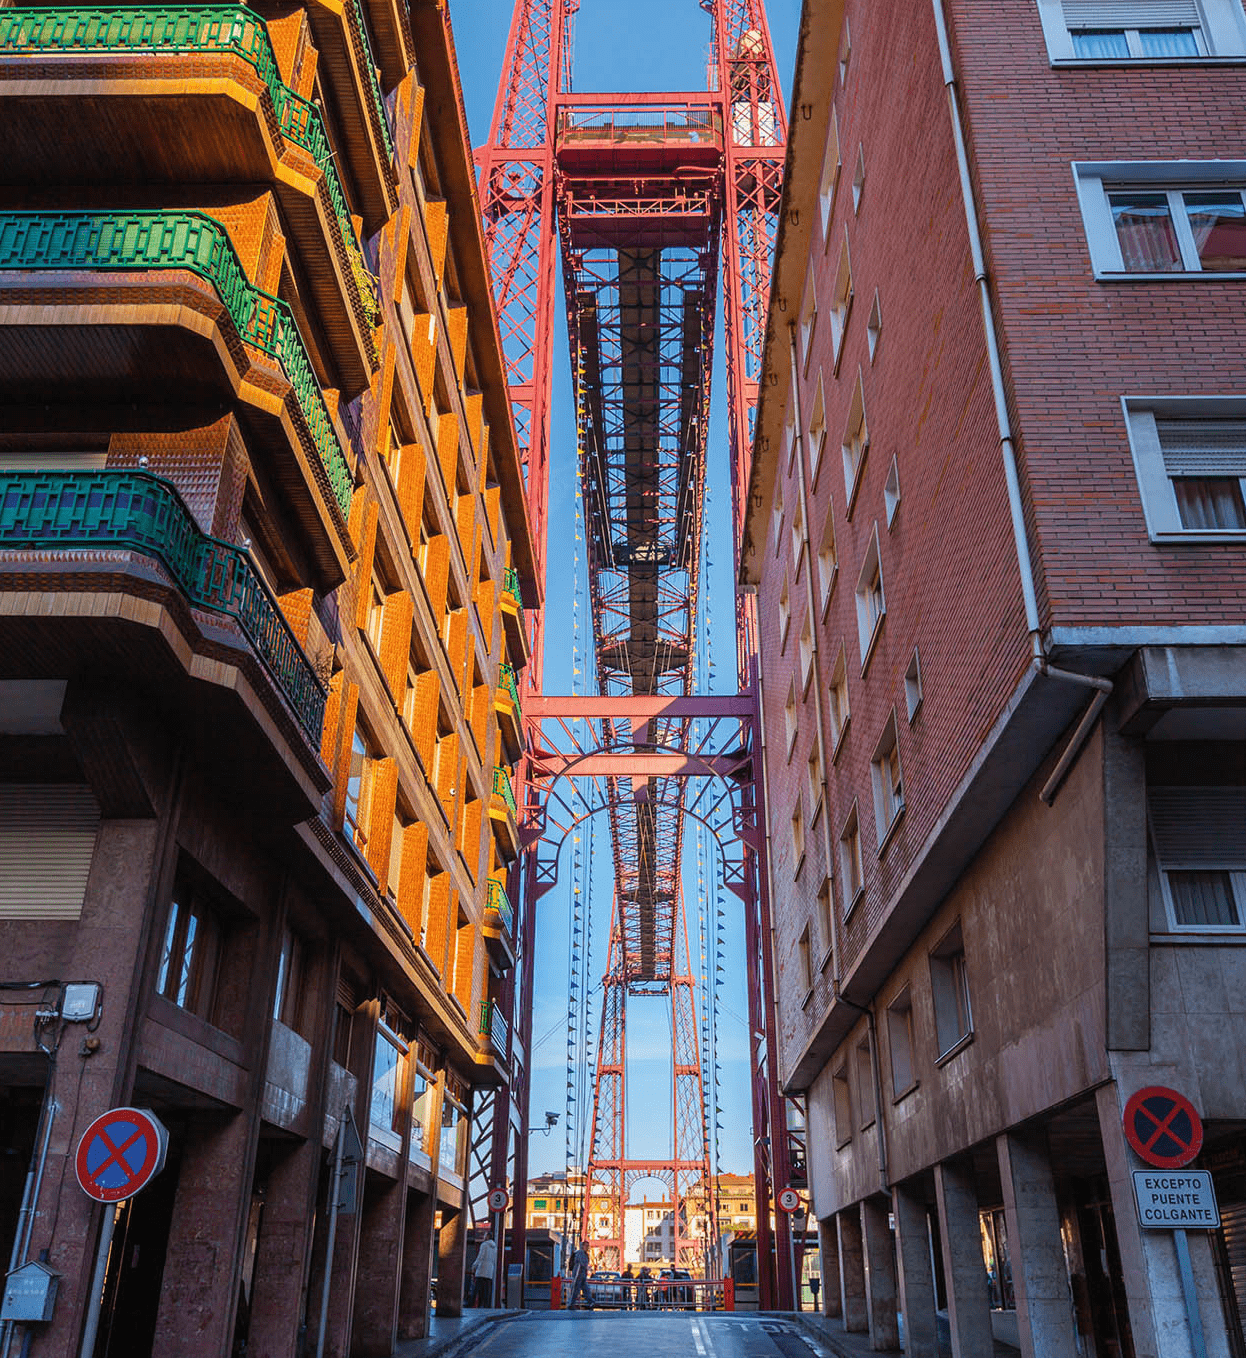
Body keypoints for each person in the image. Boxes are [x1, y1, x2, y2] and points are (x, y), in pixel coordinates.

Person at [472, 1233, 497, 1308]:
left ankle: (472, 1303)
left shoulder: (484, 1245)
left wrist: (474, 1265)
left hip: (482, 1269)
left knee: (477, 1289)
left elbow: (480, 1257)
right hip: (489, 1270)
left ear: (488, 1236)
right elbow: (494, 1259)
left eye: (485, 1235)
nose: (484, 1236)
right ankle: (486, 1305)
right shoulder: (495, 1247)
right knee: (487, 1289)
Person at [568, 1242, 592, 1308]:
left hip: (582, 1274)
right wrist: (586, 1267)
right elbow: (582, 1263)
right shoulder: (580, 1253)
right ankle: (571, 1304)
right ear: (583, 1246)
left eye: (588, 1246)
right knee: (576, 1290)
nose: (587, 1247)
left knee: (585, 1289)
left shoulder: (584, 1254)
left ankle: (591, 1301)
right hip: (578, 1274)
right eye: (586, 1246)